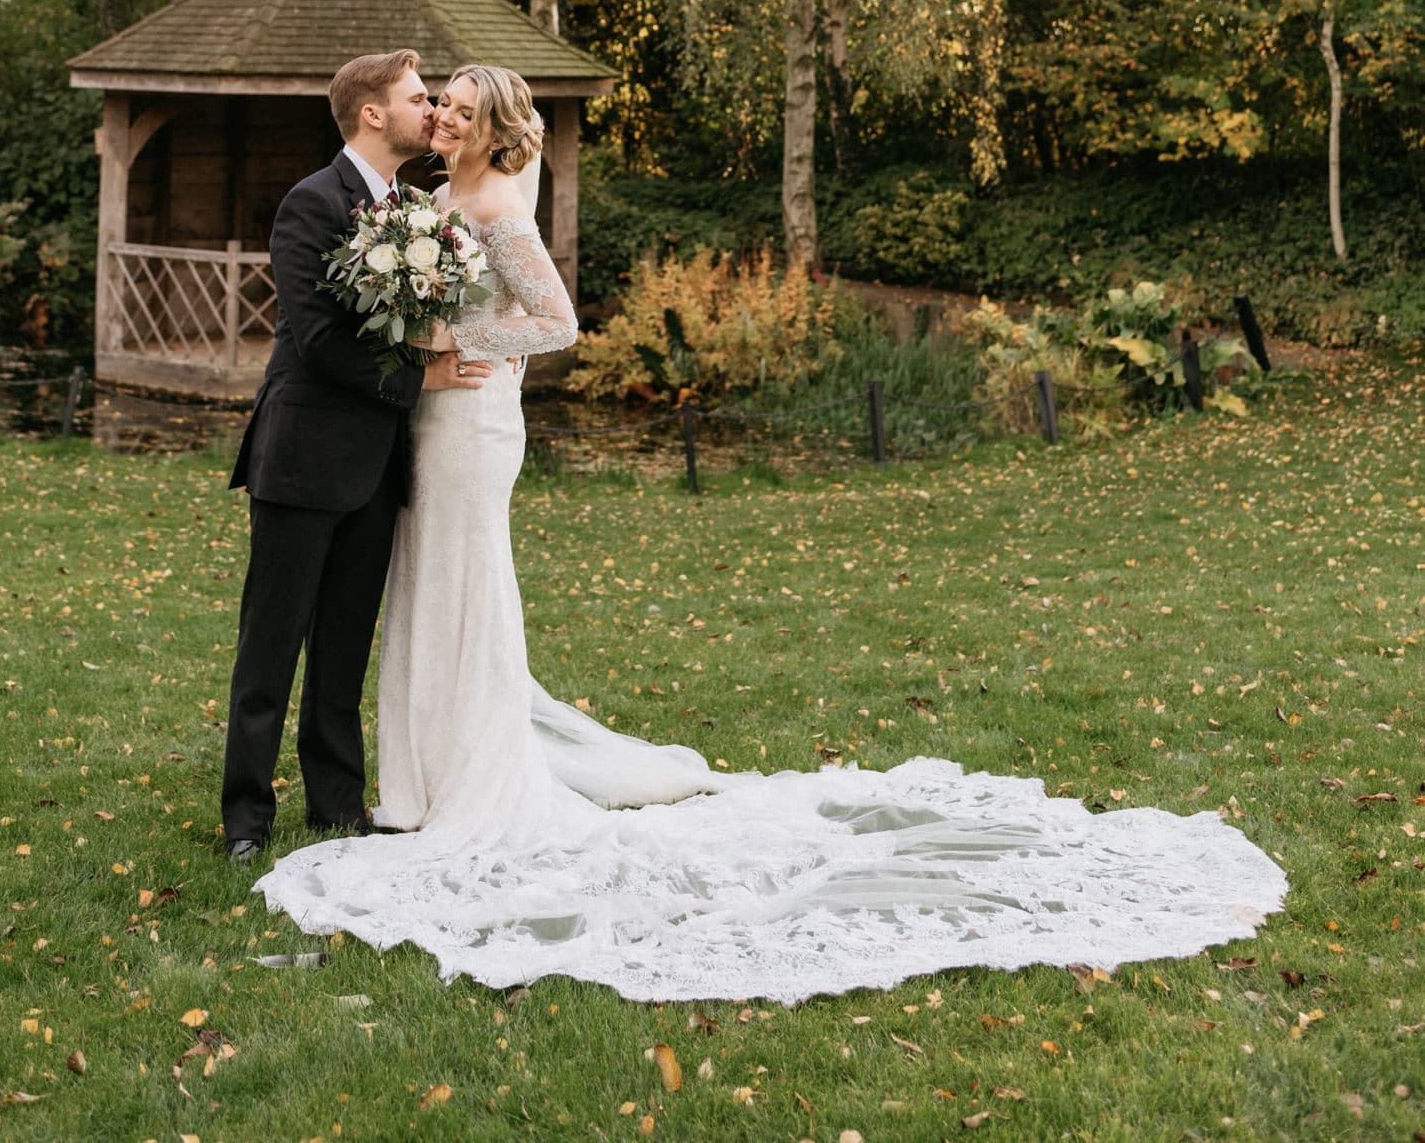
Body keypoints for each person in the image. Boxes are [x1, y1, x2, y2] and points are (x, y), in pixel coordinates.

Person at [252, 62, 1287, 1002]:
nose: (446, 115)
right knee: (423, 587)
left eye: (465, 109)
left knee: (467, 585)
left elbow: (556, 323)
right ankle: (417, 776)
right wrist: (418, 343)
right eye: (442, 104)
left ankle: (468, 776)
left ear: (495, 129)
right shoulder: (420, 203)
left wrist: (460, 340)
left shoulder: (494, 206)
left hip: (473, 417)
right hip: (421, 423)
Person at [219, 48, 493, 862]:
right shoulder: (312, 204)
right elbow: (318, 337)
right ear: (373, 114)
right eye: (418, 99)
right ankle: (246, 819)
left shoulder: (416, 206)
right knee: (270, 649)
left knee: (342, 650)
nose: (432, 110)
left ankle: (336, 810)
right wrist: (424, 374)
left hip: (377, 466)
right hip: (302, 459)